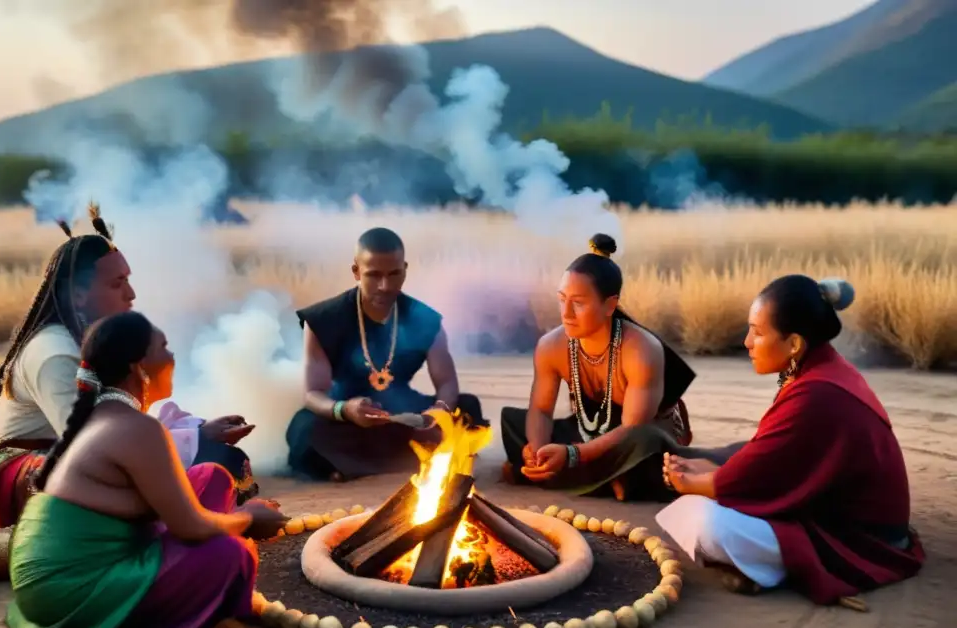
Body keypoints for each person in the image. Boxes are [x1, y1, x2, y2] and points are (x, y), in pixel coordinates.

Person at [0, 204, 257, 528]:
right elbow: (92, 444)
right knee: (212, 465)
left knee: (214, 455)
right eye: (117, 283)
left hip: (85, 458)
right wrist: (191, 443)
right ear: (78, 296)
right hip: (44, 473)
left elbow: (116, 424)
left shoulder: (90, 339)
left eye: (128, 281)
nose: (131, 294)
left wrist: (195, 432)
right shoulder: (55, 353)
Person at [6, 311, 287, 628]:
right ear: (139, 367)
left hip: (51, 579)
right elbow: (191, 525)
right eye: (164, 349)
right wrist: (247, 518)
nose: (172, 358)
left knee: (211, 477)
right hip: (67, 590)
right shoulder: (138, 428)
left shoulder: (103, 415)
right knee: (229, 554)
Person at [656, 276, 924, 605]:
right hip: (848, 520)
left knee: (702, 519)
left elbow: (750, 476)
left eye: (758, 331)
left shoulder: (816, 393)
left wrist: (691, 483)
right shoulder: (821, 368)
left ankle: (770, 569)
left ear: (794, 344)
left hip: (860, 541)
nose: (747, 342)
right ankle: (759, 564)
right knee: (707, 504)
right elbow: (775, 456)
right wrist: (709, 467)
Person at [500, 234, 695, 501]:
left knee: (643, 444)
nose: (566, 312)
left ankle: (587, 476)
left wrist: (571, 455)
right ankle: (599, 479)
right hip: (588, 430)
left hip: (640, 433)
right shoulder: (551, 346)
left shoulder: (641, 348)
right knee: (514, 423)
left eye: (578, 303)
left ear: (610, 305)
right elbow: (541, 410)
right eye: (561, 299)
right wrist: (538, 449)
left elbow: (631, 430)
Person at [286, 227, 486, 481]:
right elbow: (312, 394)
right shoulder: (322, 320)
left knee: (467, 407)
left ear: (405, 269)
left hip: (404, 412)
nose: (385, 286)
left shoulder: (426, 319)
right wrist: (345, 409)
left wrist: (439, 410)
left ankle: (352, 466)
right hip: (346, 415)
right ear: (356, 272)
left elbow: (446, 382)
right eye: (374, 275)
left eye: (394, 274)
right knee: (305, 429)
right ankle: (409, 457)